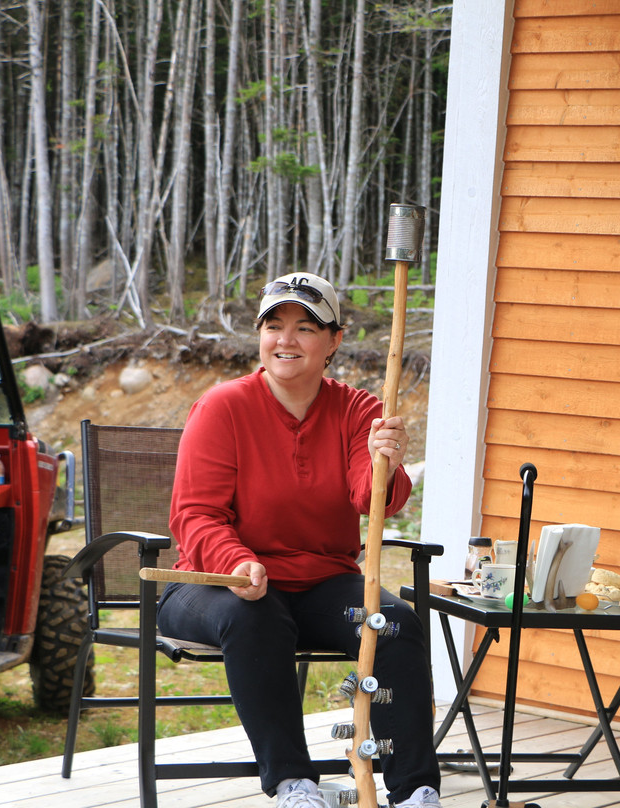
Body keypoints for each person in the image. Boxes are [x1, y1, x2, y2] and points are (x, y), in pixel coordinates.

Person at [157, 272, 442, 808]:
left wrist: (387, 460)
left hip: (321, 588)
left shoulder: (358, 410)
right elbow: (195, 515)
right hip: (212, 584)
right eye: (274, 325)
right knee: (255, 615)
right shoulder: (222, 408)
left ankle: (414, 791)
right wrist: (237, 562)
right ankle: (293, 782)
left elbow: (371, 499)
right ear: (259, 336)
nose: (285, 340)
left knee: (393, 623)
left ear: (334, 340)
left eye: (305, 327)